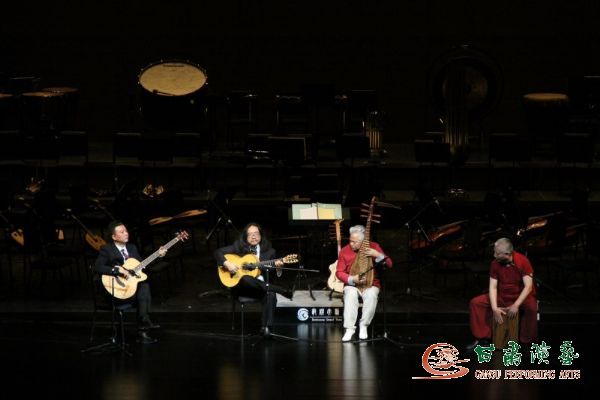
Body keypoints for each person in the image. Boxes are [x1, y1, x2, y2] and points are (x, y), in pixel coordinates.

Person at [95, 221, 166, 344]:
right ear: (114, 237)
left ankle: (143, 327)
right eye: (122, 232)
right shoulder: (107, 249)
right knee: (143, 290)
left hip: (131, 289)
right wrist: (116, 270)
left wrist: (158, 255)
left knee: (144, 286)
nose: (126, 233)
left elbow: (143, 266)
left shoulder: (132, 248)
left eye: (126, 231)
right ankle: (144, 325)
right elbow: (98, 267)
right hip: (116, 291)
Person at [214, 222, 293, 334]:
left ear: (261, 235)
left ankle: (266, 329)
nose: (253, 236)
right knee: (245, 278)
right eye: (250, 234)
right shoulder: (238, 247)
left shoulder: (270, 252)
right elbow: (218, 252)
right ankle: (280, 290)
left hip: (261, 289)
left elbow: (272, 275)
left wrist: (279, 268)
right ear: (245, 237)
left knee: (270, 294)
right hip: (242, 288)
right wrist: (227, 264)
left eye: (256, 233)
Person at [468, 237, 538, 348]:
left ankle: (527, 341)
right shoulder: (495, 263)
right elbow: (493, 287)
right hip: (502, 295)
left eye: (497, 253)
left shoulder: (523, 261)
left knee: (532, 307)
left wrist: (516, 305)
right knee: (476, 303)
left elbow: (528, 286)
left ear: (507, 254)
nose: (494, 255)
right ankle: (482, 337)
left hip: (520, 296)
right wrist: (494, 308)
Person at [336, 225, 392, 342]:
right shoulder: (344, 251)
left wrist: (377, 255)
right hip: (352, 284)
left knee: (371, 295)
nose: (351, 244)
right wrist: (352, 279)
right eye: (350, 240)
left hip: (371, 284)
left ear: (363, 241)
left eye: (354, 242)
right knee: (350, 294)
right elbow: (339, 272)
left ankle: (364, 325)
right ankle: (349, 329)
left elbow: (389, 264)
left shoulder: (374, 247)